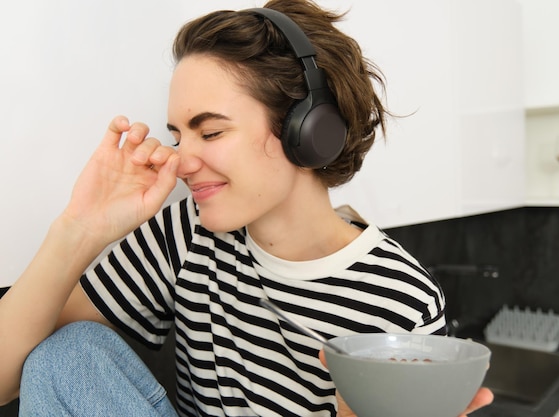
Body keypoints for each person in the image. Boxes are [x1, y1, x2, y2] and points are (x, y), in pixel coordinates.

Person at [0, 0, 493, 416]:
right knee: (65, 356)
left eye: (210, 131)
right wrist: (78, 228)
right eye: (178, 136)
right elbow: (11, 378)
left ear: (308, 131)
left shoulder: (398, 298)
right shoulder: (186, 233)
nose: (182, 161)